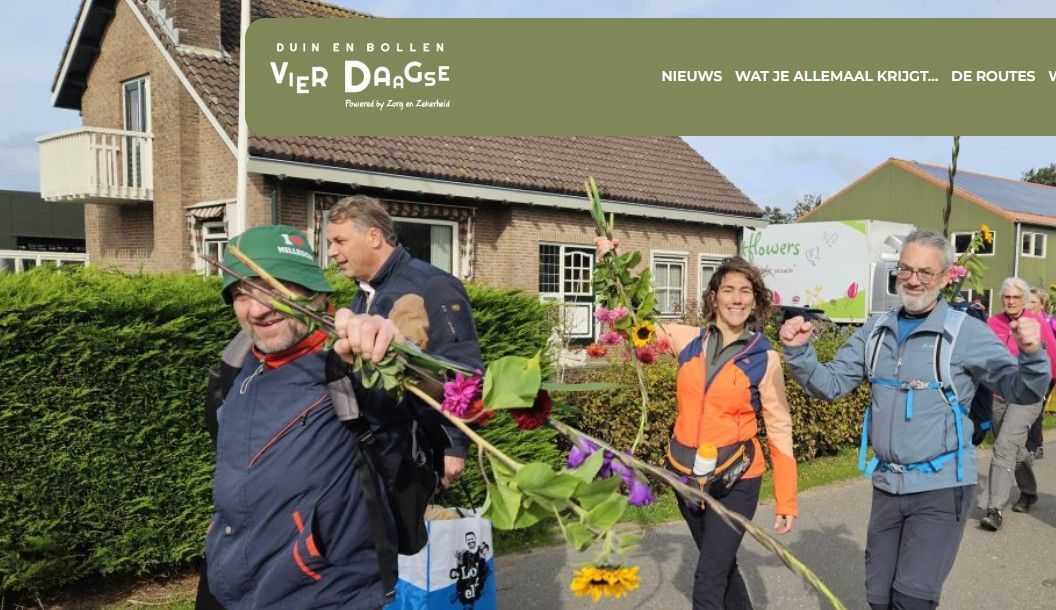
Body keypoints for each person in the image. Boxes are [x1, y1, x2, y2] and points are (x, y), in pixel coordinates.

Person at [779, 230, 1051, 610]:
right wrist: (798, 351)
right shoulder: (876, 330)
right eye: (905, 269)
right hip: (888, 484)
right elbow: (832, 383)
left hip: (942, 487)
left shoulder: (966, 332)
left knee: (912, 601)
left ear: (944, 277)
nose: (912, 279)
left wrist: (1033, 354)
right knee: (877, 599)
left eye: (925, 271)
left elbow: (1022, 390)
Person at [201, 225, 398, 610]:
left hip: (322, 594)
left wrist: (390, 342)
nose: (257, 309)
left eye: (273, 289)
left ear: (316, 293)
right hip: (227, 584)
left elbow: (450, 402)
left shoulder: (347, 364)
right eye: (242, 293)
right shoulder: (238, 361)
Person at [598, 238, 797, 610]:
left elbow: (779, 427)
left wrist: (786, 497)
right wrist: (611, 266)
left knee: (708, 579)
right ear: (713, 297)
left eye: (745, 292)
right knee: (722, 567)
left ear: (755, 301)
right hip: (685, 478)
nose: (736, 299)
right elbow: (630, 326)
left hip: (736, 479)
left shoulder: (764, 359)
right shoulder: (686, 340)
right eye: (728, 290)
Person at [326, 195, 482, 492]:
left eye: (340, 241)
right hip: (377, 447)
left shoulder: (433, 286)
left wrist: (454, 446)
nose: (332, 252)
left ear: (373, 236)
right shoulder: (362, 295)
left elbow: (466, 371)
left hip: (417, 449)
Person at [978, 278, 1056, 527]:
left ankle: (994, 509)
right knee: (1014, 448)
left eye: (1016, 297)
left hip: (1028, 397)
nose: (1011, 301)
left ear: (1024, 299)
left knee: (1002, 447)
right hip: (998, 395)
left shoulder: (1037, 323)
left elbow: (1052, 359)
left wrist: (1044, 390)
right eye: (1006, 297)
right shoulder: (992, 323)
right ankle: (1030, 491)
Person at [1027, 287, 1055, 459]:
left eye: (1033, 302)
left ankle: (1033, 446)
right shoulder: (1025, 320)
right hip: (1030, 369)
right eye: (1027, 301)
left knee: (1034, 407)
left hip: (1048, 371)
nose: (1029, 305)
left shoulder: (1050, 321)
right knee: (1035, 407)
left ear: (1042, 304)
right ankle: (1037, 444)